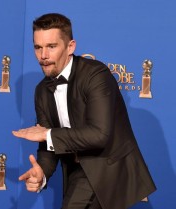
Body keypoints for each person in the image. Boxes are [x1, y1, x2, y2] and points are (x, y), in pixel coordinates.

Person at [12, 13, 156, 209]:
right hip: (75, 171)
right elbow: (48, 146)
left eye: (51, 47)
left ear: (70, 47)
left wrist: (47, 133)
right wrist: (42, 173)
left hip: (107, 165)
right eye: (38, 47)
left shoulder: (96, 75)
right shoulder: (41, 90)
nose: (43, 56)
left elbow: (99, 135)